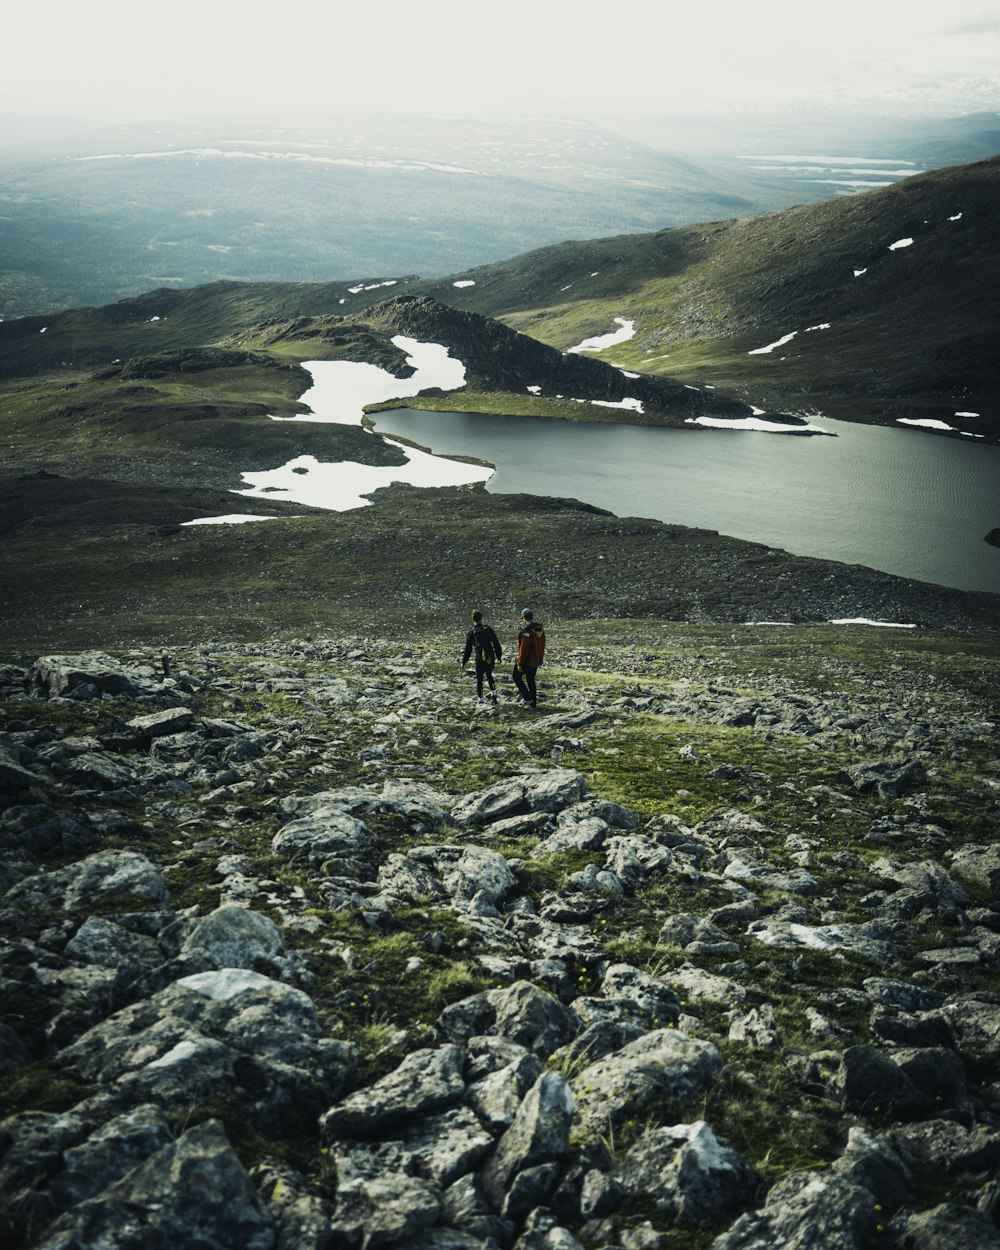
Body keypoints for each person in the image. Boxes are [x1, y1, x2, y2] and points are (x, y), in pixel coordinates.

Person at [461, 610, 502, 701]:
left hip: (480, 658)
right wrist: (499, 656)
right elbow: (496, 643)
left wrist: (464, 661)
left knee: (479, 679)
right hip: (490, 657)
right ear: (481, 618)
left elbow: (468, 649)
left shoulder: (472, 632)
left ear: (473, 619)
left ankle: (480, 699)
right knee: (489, 675)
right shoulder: (488, 629)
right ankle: (494, 696)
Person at [512, 608, 545, 708]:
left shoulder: (526, 632)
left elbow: (524, 648)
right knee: (531, 680)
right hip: (536, 660)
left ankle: (527, 698)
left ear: (524, 618)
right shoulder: (539, 629)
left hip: (527, 661)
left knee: (516, 676)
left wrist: (519, 663)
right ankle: (533, 703)